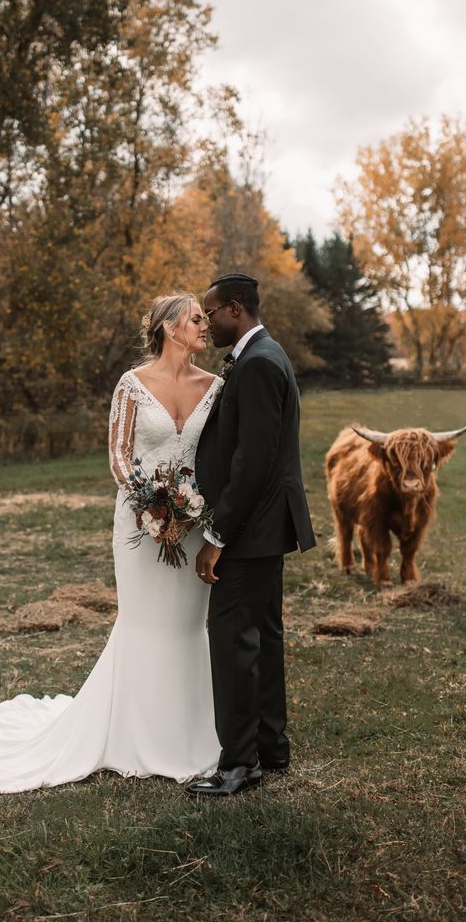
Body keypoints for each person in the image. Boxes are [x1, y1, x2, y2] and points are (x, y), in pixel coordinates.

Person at [0, 293, 221, 793]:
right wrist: (150, 503)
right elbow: (119, 456)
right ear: (170, 328)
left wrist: (187, 511)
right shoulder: (132, 386)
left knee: (187, 626)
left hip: (188, 526)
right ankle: (129, 735)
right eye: (195, 319)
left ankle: (191, 735)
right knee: (144, 623)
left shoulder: (215, 386)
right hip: (140, 523)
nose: (203, 327)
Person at [186, 272, 316, 798]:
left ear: (234, 309)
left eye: (211, 312)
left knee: (235, 642)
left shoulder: (259, 364)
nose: (207, 321)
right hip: (266, 529)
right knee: (261, 637)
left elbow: (253, 464)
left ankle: (240, 764)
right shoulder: (266, 355)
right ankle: (272, 746)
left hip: (250, 528)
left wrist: (218, 534)